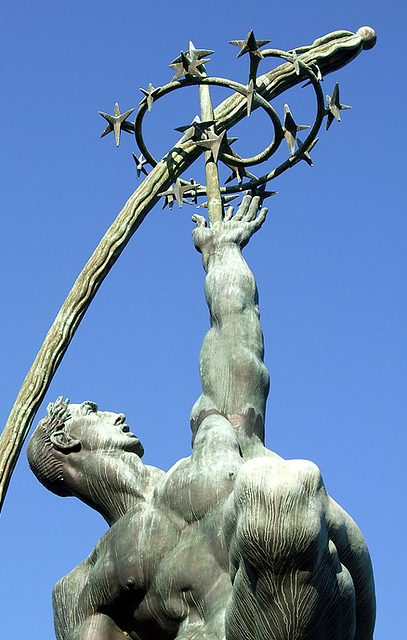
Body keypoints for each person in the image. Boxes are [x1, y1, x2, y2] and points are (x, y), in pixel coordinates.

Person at [27, 196, 375, 640]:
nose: (115, 414)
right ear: (65, 441)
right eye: (90, 412)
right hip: (240, 627)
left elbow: (237, 354)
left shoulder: (212, 445)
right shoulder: (85, 586)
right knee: (274, 490)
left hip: (322, 588)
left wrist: (222, 255)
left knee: (275, 487)